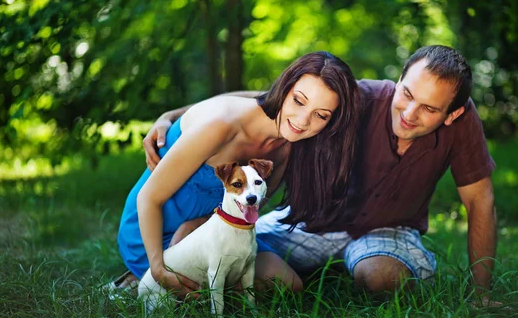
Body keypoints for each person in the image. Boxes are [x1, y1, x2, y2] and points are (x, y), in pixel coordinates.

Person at [145, 45, 498, 305]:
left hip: (387, 229)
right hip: (315, 220)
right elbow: (267, 99)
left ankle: (332, 268)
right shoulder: (359, 96)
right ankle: (151, 278)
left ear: (451, 114)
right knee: (216, 233)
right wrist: (172, 116)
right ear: (400, 78)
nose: (409, 112)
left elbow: (479, 200)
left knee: (381, 279)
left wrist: (481, 294)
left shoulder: (462, 125)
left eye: (429, 108)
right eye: (406, 93)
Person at [111, 51, 362, 299]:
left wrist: (197, 225)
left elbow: (248, 210)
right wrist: (159, 270)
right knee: (202, 293)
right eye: (299, 100)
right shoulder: (220, 127)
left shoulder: (289, 143)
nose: (302, 120)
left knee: (287, 284)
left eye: (321, 115)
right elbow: (148, 199)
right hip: (153, 229)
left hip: (213, 227)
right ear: (285, 89)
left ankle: (163, 282)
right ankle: (139, 277)